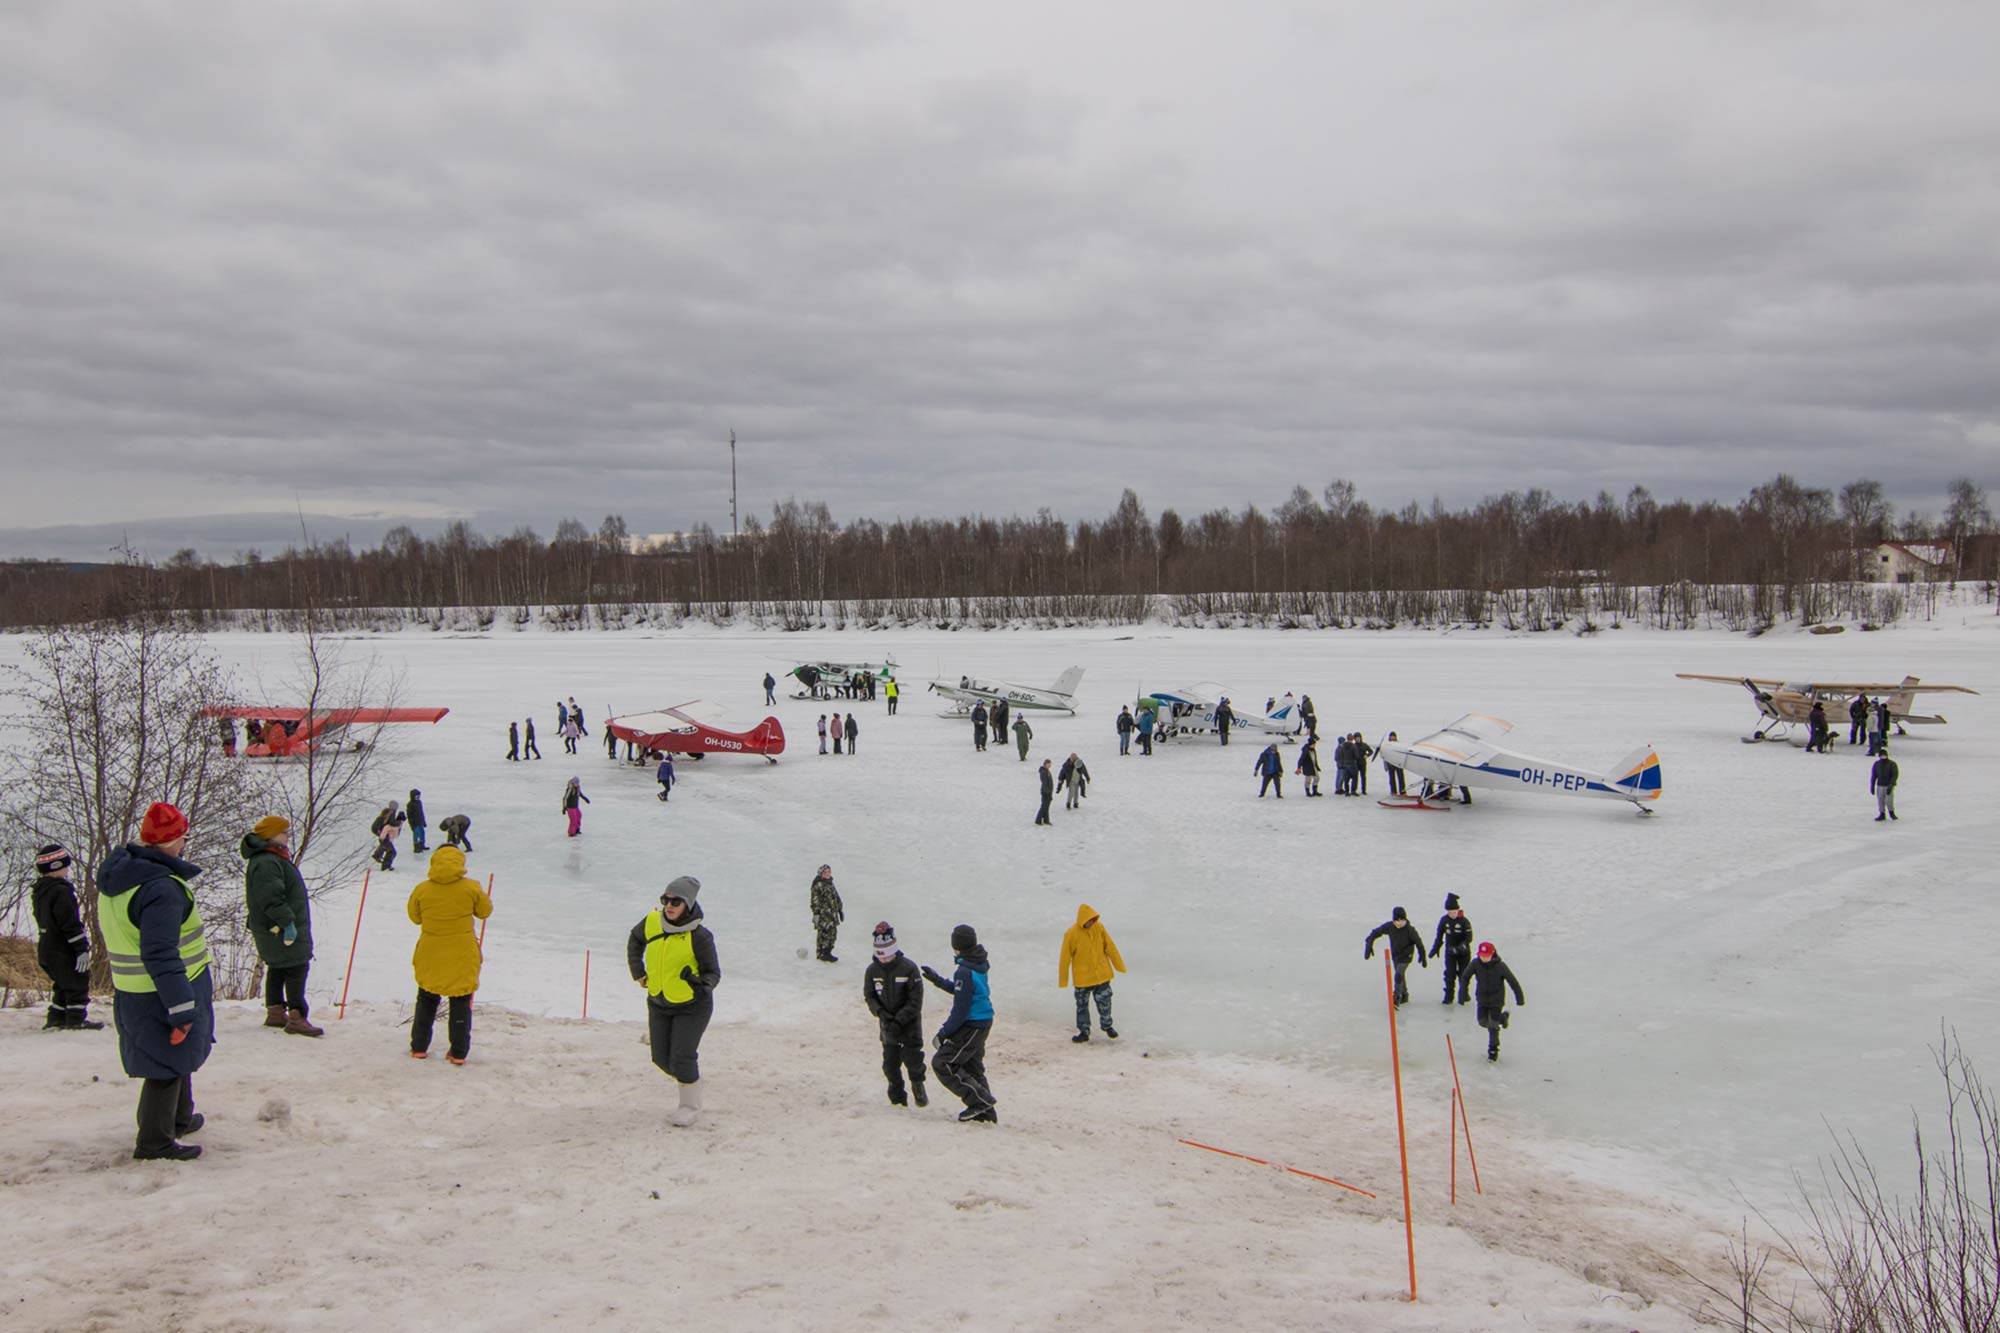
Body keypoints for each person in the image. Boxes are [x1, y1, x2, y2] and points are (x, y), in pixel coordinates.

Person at [97, 802, 212, 1160]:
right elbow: (160, 952)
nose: (185, 845)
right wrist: (181, 1006)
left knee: (176, 1055)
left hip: (135, 988)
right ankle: (155, 1142)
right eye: (183, 838)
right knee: (165, 1064)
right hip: (164, 989)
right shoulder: (160, 888)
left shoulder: (123, 877)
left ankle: (178, 1118)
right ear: (171, 841)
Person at [628, 876, 719, 1126]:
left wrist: (701, 985)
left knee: (682, 1057)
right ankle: (691, 1080)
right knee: (661, 1059)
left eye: (676, 901)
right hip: (658, 1002)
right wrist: (638, 971)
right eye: (665, 900)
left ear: (687, 905)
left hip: (692, 1006)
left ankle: (689, 1106)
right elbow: (635, 940)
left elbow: (713, 973)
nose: (668, 906)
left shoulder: (700, 936)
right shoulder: (652, 922)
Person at [406, 845, 491, 1065]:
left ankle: (419, 1047)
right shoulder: (471, 887)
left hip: (430, 951)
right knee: (460, 1000)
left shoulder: (422, 889)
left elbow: (415, 917)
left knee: (426, 997)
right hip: (462, 952)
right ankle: (458, 1052)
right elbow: (485, 912)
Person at [242, 816, 322, 1037]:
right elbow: (271, 897)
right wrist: (287, 922)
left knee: (278, 966)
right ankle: (297, 1017)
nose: (288, 835)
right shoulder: (268, 862)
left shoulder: (268, 858)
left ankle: (276, 1012)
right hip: (279, 927)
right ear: (272, 835)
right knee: (297, 965)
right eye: (284, 832)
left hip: (270, 926)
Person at [921, 924, 996, 1123]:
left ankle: (979, 1102)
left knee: (942, 1062)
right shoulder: (978, 963)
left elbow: (961, 1009)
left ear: (956, 946)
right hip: (983, 1021)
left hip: (973, 1024)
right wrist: (938, 980)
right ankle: (986, 1113)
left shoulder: (964, 971)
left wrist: (944, 1033)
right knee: (972, 1066)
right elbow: (964, 991)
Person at [32, 843, 100, 1031]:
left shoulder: (40, 892)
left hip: (46, 947)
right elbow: (69, 923)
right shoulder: (61, 891)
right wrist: (81, 948)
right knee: (77, 983)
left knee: (63, 984)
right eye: (65, 866)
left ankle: (56, 1018)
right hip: (63, 948)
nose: (67, 870)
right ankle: (76, 1020)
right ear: (55, 866)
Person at [863, 922, 927, 1107]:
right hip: (887, 1025)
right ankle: (897, 1097)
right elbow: (870, 996)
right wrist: (881, 1013)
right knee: (890, 1064)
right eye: (880, 956)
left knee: (913, 1060)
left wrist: (900, 1020)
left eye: (887, 955)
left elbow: (915, 1000)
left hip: (909, 1025)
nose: (884, 959)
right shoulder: (872, 971)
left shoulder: (909, 968)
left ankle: (918, 1086)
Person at [1059, 903, 1124, 1042]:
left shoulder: (1099, 928)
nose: (1091, 923)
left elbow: (1110, 946)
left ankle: (1107, 1026)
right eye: (1089, 920)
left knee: (1105, 1002)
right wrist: (1063, 980)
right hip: (1082, 978)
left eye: (1093, 920)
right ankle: (1084, 1031)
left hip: (1102, 975)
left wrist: (1119, 965)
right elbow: (1065, 958)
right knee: (1082, 1006)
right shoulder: (1071, 934)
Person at [1468, 941, 1524, 1061]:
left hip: (1496, 1000)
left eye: (1486, 956)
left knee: (1493, 1026)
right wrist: (1463, 992)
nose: (1484, 959)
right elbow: (1465, 977)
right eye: (1482, 956)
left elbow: (1513, 982)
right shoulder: (1475, 964)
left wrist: (1519, 998)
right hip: (1482, 999)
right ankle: (1502, 1018)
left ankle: (1493, 1050)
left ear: (1493, 954)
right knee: (1482, 1022)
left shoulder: (1500, 966)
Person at [1364, 906, 1429, 1006]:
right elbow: (1376, 932)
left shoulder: (1410, 930)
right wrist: (1369, 943)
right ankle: (1404, 995)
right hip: (1396, 957)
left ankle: (1397, 996)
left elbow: (1419, 943)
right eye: (1397, 921)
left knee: (1398, 974)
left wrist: (1422, 956)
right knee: (1400, 975)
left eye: (1402, 920)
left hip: (1406, 957)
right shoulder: (1390, 927)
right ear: (1394, 921)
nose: (1400, 923)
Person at [1430, 893, 1473, 1004]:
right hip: (1450, 953)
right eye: (1449, 912)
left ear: (1458, 910)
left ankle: (1464, 994)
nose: (1452, 914)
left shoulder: (1464, 921)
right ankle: (1449, 997)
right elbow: (1439, 936)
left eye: (1454, 912)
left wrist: (1461, 947)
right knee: (1449, 974)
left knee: (1463, 974)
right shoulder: (1444, 920)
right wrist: (1436, 948)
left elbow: (1469, 937)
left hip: (1463, 954)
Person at [809, 864, 843, 962]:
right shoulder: (818, 885)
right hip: (824, 915)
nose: (827, 874)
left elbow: (836, 897)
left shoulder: (830, 883)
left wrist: (840, 909)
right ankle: (823, 952)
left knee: (832, 933)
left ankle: (827, 952)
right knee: (824, 933)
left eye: (829, 872)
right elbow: (815, 901)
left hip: (832, 914)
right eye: (825, 872)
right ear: (821, 873)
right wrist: (816, 913)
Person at [370, 801, 403, 871]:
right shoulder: (392, 812)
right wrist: (399, 822)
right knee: (391, 851)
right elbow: (391, 822)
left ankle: (378, 855)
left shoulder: (386, 811)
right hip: (384, 834)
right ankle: (385, 865)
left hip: (381, 833)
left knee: (387, 847)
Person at [1871, 747, 1899, 821]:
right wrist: (1872, 785)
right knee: (1880, 800)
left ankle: (1891, 812)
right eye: (1881, 756)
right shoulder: (1877, 764)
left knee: (1889, 800)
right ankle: (1882, 813)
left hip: (1888, 785)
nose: (1883, 757)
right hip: (1880, 785)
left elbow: (1894, 775)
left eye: (1884, 755)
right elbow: (1874, 775)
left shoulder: (1892, 764)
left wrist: (1891, 785)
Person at [1383, 732, 1406, 797]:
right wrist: (1385, 765)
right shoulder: (1387, 745)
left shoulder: (1399, 745)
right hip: (1390, 764)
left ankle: (1402, 791)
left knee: (1401, 778)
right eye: (1391, 736)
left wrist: (1403, 763)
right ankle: (1393, 791)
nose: (1392, 738)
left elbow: (1402, 754)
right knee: (1392, 778)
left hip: (1398, 763)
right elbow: (1385, 756)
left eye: (1393, 736)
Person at [406, 789, 428, 853]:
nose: (418, 797)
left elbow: (421, 812)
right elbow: (409, 815)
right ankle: (416, 848)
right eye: (416, 796)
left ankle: (422, 845)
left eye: (419, 796)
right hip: (415, 823)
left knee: (422, 834)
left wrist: (424, 821)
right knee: (416, 835)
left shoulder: (419, 802)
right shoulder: (410, 804)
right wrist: (411, 823)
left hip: (420, 821)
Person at [1035, 758, 1054, 826]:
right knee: (1044, 806)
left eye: (1050, 764)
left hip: (1048, 792)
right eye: (1048, 764)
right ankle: (1038, 820)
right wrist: (1047, 792)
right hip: (1045, 792)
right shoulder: (1043, 772)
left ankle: (1046, 820)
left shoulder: (1047, 771)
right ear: (1045, 764)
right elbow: (1044, 783)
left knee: (1046, 806)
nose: (1049, 765)